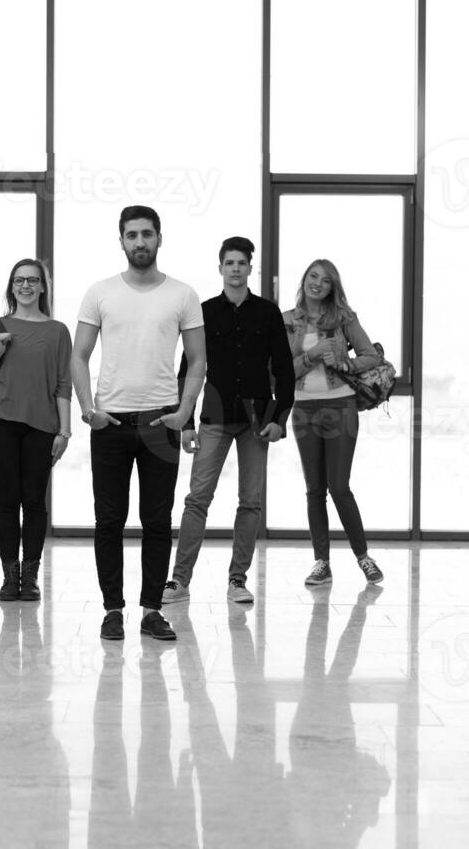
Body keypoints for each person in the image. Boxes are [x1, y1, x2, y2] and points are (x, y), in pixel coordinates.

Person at [71, 205, 206, 642]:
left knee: (156, 520)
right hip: (109, 422)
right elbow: (78, 355)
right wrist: (89, 409)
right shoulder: (100, 292)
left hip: (160, 422)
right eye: (132, 235)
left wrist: (185, 412)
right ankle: (113, 609)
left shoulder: (183, 295)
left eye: (147, 234)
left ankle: (151, 610)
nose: (140, 242)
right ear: (122, 241)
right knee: (108, 520)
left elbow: (199, 359)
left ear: (159, 238)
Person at [163, 236, 295, 605]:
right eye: (229, 263)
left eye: (242, 263)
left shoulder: (268, 313)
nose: (236, 268)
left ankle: (238, 580)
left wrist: (280, 418)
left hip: (257, 420)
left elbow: (284, 370)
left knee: (250, 502)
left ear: (250, 268)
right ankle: (179, 581)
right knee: (197, 499)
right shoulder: (204, 312)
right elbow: (188, 369)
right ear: (220, 268)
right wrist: (185, 423)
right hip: (214, 418)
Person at [0, 258, 72, 602]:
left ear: (43, 286)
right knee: (8, 502)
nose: (25, 286)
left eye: (32, 280)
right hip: (0, 423)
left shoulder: (57, 331)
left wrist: (65, 431)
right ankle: (9, 578)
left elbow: (62, 385)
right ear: (11, 287)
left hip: (42, 427)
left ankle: (30, 577)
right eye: (19, 281)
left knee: (35, 503)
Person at [282, 259, 384, 586]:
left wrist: (346, 363)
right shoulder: (287, 321)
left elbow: (372, 356)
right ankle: (321, 563)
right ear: (305, 280)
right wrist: (312, 356)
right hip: (303, 409)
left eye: (325, 281)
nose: (318, 284)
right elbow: (281, 374)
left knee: (339, 486)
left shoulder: (344, 319)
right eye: (313, 277)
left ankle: (363, 557)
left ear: (332, 288)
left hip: (340, 405)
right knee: (314, 490)